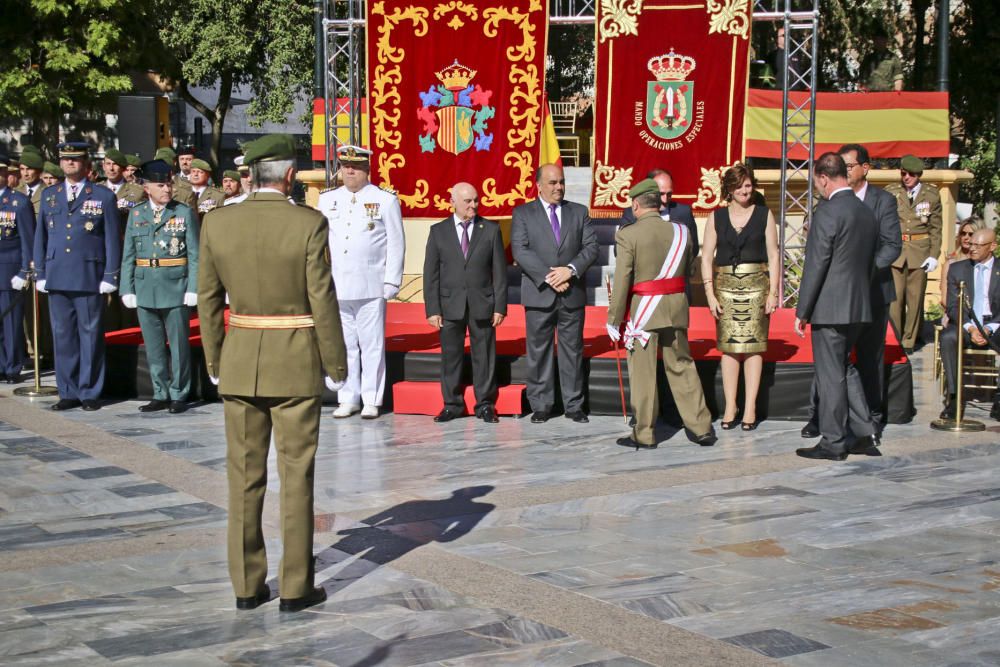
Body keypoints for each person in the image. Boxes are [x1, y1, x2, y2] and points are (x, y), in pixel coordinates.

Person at [198, 133, 348, 613]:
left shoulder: (216, 224)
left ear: (252, 175)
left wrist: (217, 359)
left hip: (241, 361)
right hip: (295, 363)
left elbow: (207, 301)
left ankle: (246, 586)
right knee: (296, 476)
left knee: (243, 479)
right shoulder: (308, 223)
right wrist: (336, 363)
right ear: (288, 176)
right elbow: (321, 298)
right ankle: (296, 586)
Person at [802, 143, 901, 438]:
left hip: (872, 292)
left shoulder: (881, 201)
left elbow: (892, 245)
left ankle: (869, 418)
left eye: (850, 166)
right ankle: (822, 418)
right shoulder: (827, 206)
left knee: (866, 360)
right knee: (835, 363)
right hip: (838, 296)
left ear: (865, 168)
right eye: (841, 166)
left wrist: (863, 272)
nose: (845, 171)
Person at [607, 178, 715, 448]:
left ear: (635, 204)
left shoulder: (628, 234)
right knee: (682, 366)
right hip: (676, 306)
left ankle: (644, 433)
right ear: (658, 202)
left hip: (643, 311)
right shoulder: (681, 231)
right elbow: (689, 269)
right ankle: (702, 428)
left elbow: (622, 280)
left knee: (643, 373)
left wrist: (614, 319)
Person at [794, 153, 879, 461]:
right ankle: (863, 433)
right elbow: (869, 262)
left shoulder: (827, 212)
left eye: (817, 182)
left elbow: (816, 264)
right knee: (845, 368)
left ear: (823, 178)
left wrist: (802, 309)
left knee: (831, 374)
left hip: (830, 306)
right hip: (858, 305)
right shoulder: (865, 211)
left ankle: (833, 441)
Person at [33, 142, 122, 411]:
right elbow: (41, 237)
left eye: (76, 159)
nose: (70, 163)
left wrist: (110, 274)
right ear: (60, 163)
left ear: (86, 164)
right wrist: (40, 272)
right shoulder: (50, 195)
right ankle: (67, 390)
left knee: (90, 335)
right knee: (63, 337)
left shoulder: (103, 196)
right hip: (58, 274)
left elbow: (111, 240)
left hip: (88, 275)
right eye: (66, 159)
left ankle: (90, 391)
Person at [317, 145, 404, 419]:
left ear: (367, 169)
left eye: (355, 166)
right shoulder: (328, 199)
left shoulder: (384, 199)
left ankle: (371, 398)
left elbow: (396, 243)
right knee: (345, 345)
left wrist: (391, 280)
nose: (349, 171)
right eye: (345, 166)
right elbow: (319, 243)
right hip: (338, 284)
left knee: (372, 344)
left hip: (370, 283)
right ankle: (348, 396)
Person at [511, 163, 598, 423]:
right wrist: (551, 276)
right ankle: (541, 404)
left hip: (571, 292)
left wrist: (570, 270)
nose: (558, 187)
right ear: (538, 185)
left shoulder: (578, 212)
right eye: (552, 183)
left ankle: (573, 405)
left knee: (572, 350)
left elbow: (591, 247)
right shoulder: (523, 213)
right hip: (540, 293)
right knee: (539, 350)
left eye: (561, 182)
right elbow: (520, 250)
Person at [701, 164, 780, 430]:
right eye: (740, 186)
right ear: (729, 189)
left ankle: (750, 407)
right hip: (724, 288)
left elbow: (773, 254)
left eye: (748, 185)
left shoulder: (764, 215)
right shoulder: (716, 217)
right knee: (729, 347)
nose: (745, 190)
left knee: (754, 347)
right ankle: (730, 406)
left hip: (758, 286)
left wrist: (773, 293)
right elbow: (707, 256)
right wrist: (709, 293)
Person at [423, 182, 508, 423]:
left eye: (475, 200)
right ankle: (452, 404)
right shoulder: (438, 231)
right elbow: (431, 273)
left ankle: (485, 404)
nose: (473, 205)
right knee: (451, 357)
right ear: (453, 202)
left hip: (482, 304)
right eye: (468, 201)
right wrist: (432, 309)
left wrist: (500, 306)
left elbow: (499, 272)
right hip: (450, 305)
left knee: (485, 356)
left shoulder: (490, 229)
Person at [120, 159, 199, 413]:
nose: (167, 190)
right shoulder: (137, 213)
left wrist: (193, 287)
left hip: (175, 285)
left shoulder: (183, 212)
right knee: (153, 345)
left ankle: (179, 392)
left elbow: (196, 255)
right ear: (147, 188)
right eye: (161, 185)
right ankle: (159, 392)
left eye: (169, 184)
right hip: (145, 285)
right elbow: (128, 254)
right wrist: (127, 288)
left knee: (178, 345)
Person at [938, 228, 1000, 421]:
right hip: (968, 324)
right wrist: (971, 327)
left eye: (978, 245)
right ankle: (955, 398)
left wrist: (990, 328)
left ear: (992, 247)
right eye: (971, 244)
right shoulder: (958, 269)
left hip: (995, 324)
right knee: (948, 338)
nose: (972, 248)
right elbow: (953, 306)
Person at [886, 154, 942, 352]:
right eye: (903, 173)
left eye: (911, 174)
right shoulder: (891, 192)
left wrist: (934, 255)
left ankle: (909, 340)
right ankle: (895, 338)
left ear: (919, 174)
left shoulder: (931, 194)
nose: (906, 177)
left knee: (915, 299)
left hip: (920, 252)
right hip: (896, 252)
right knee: (895, 300)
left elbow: (936, 228)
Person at [0, 153, 35, 383]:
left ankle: (12, 366)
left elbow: (28, 240)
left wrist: (25, 271)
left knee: (11, 322)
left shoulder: (18, 202)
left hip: (8, 269)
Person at [618, 169, 699, 258]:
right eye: (661, 194)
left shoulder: (683, 212)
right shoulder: (632, 214)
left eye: (669, 194)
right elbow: (619, 251)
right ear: (647, 192)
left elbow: (694, 249)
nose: (665, 200)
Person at [941, 217, 986, 326]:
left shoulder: (986, 264)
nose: (966, 238)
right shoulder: (951, 264)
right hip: (957, 315)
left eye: (971, 234)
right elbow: (944, 300)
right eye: (963, 233)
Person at [767, 26, 806, 91]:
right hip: (780, 90)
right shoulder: (773, 55)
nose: (787, 37)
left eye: (788, 35)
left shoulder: (795, 53)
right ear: (777, 39)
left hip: (797, 90)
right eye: (784, 35)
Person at [16, 147, 45, 215]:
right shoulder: (16, 192)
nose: (25, 174)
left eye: (29, 169)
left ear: (39, 171)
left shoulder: (49, 193)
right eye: (22, 169)